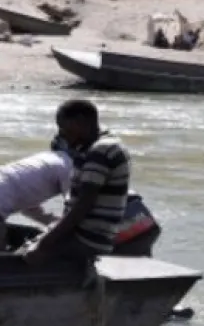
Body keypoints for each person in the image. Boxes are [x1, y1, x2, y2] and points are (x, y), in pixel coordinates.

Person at [23, 100, 130, 267]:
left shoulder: (101, 150)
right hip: (80, 234)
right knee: (29, 247)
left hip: (88, 240)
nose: (61, 134)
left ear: (80, 121)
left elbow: (83, 205)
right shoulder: (90, 147)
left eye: (64, 127)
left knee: (23, 259)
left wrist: (44, 244)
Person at [0, 141, 74, 254]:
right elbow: (73, 207)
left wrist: (50, 220)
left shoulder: (47, 159)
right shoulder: (69, 167)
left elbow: (27, 205)